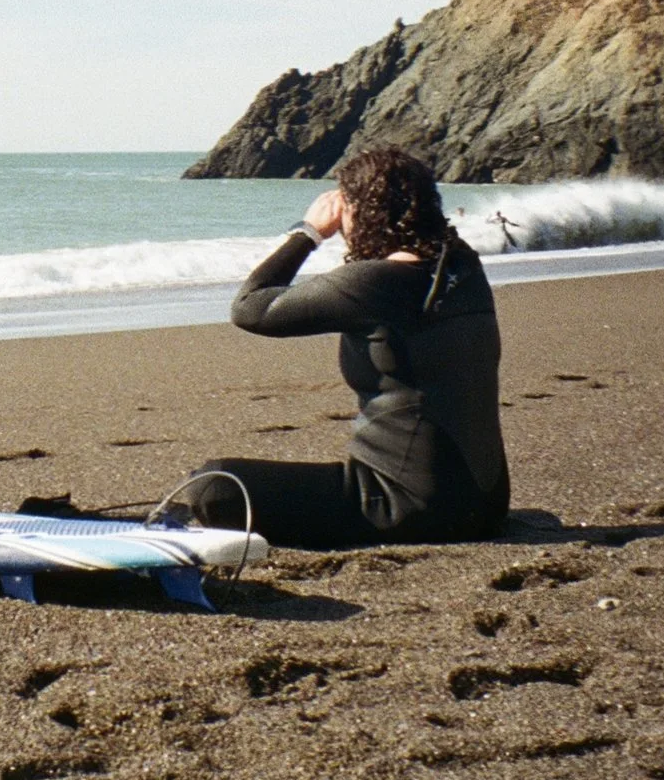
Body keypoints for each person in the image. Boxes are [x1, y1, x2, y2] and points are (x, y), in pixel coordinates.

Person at [170, 145, 509, 547]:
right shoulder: (464, 268)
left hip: (406, 505)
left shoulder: (375, 282)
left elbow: (250, 308)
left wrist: (309, 231)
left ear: (358, 212)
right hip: (486, 505)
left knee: (213, 486)